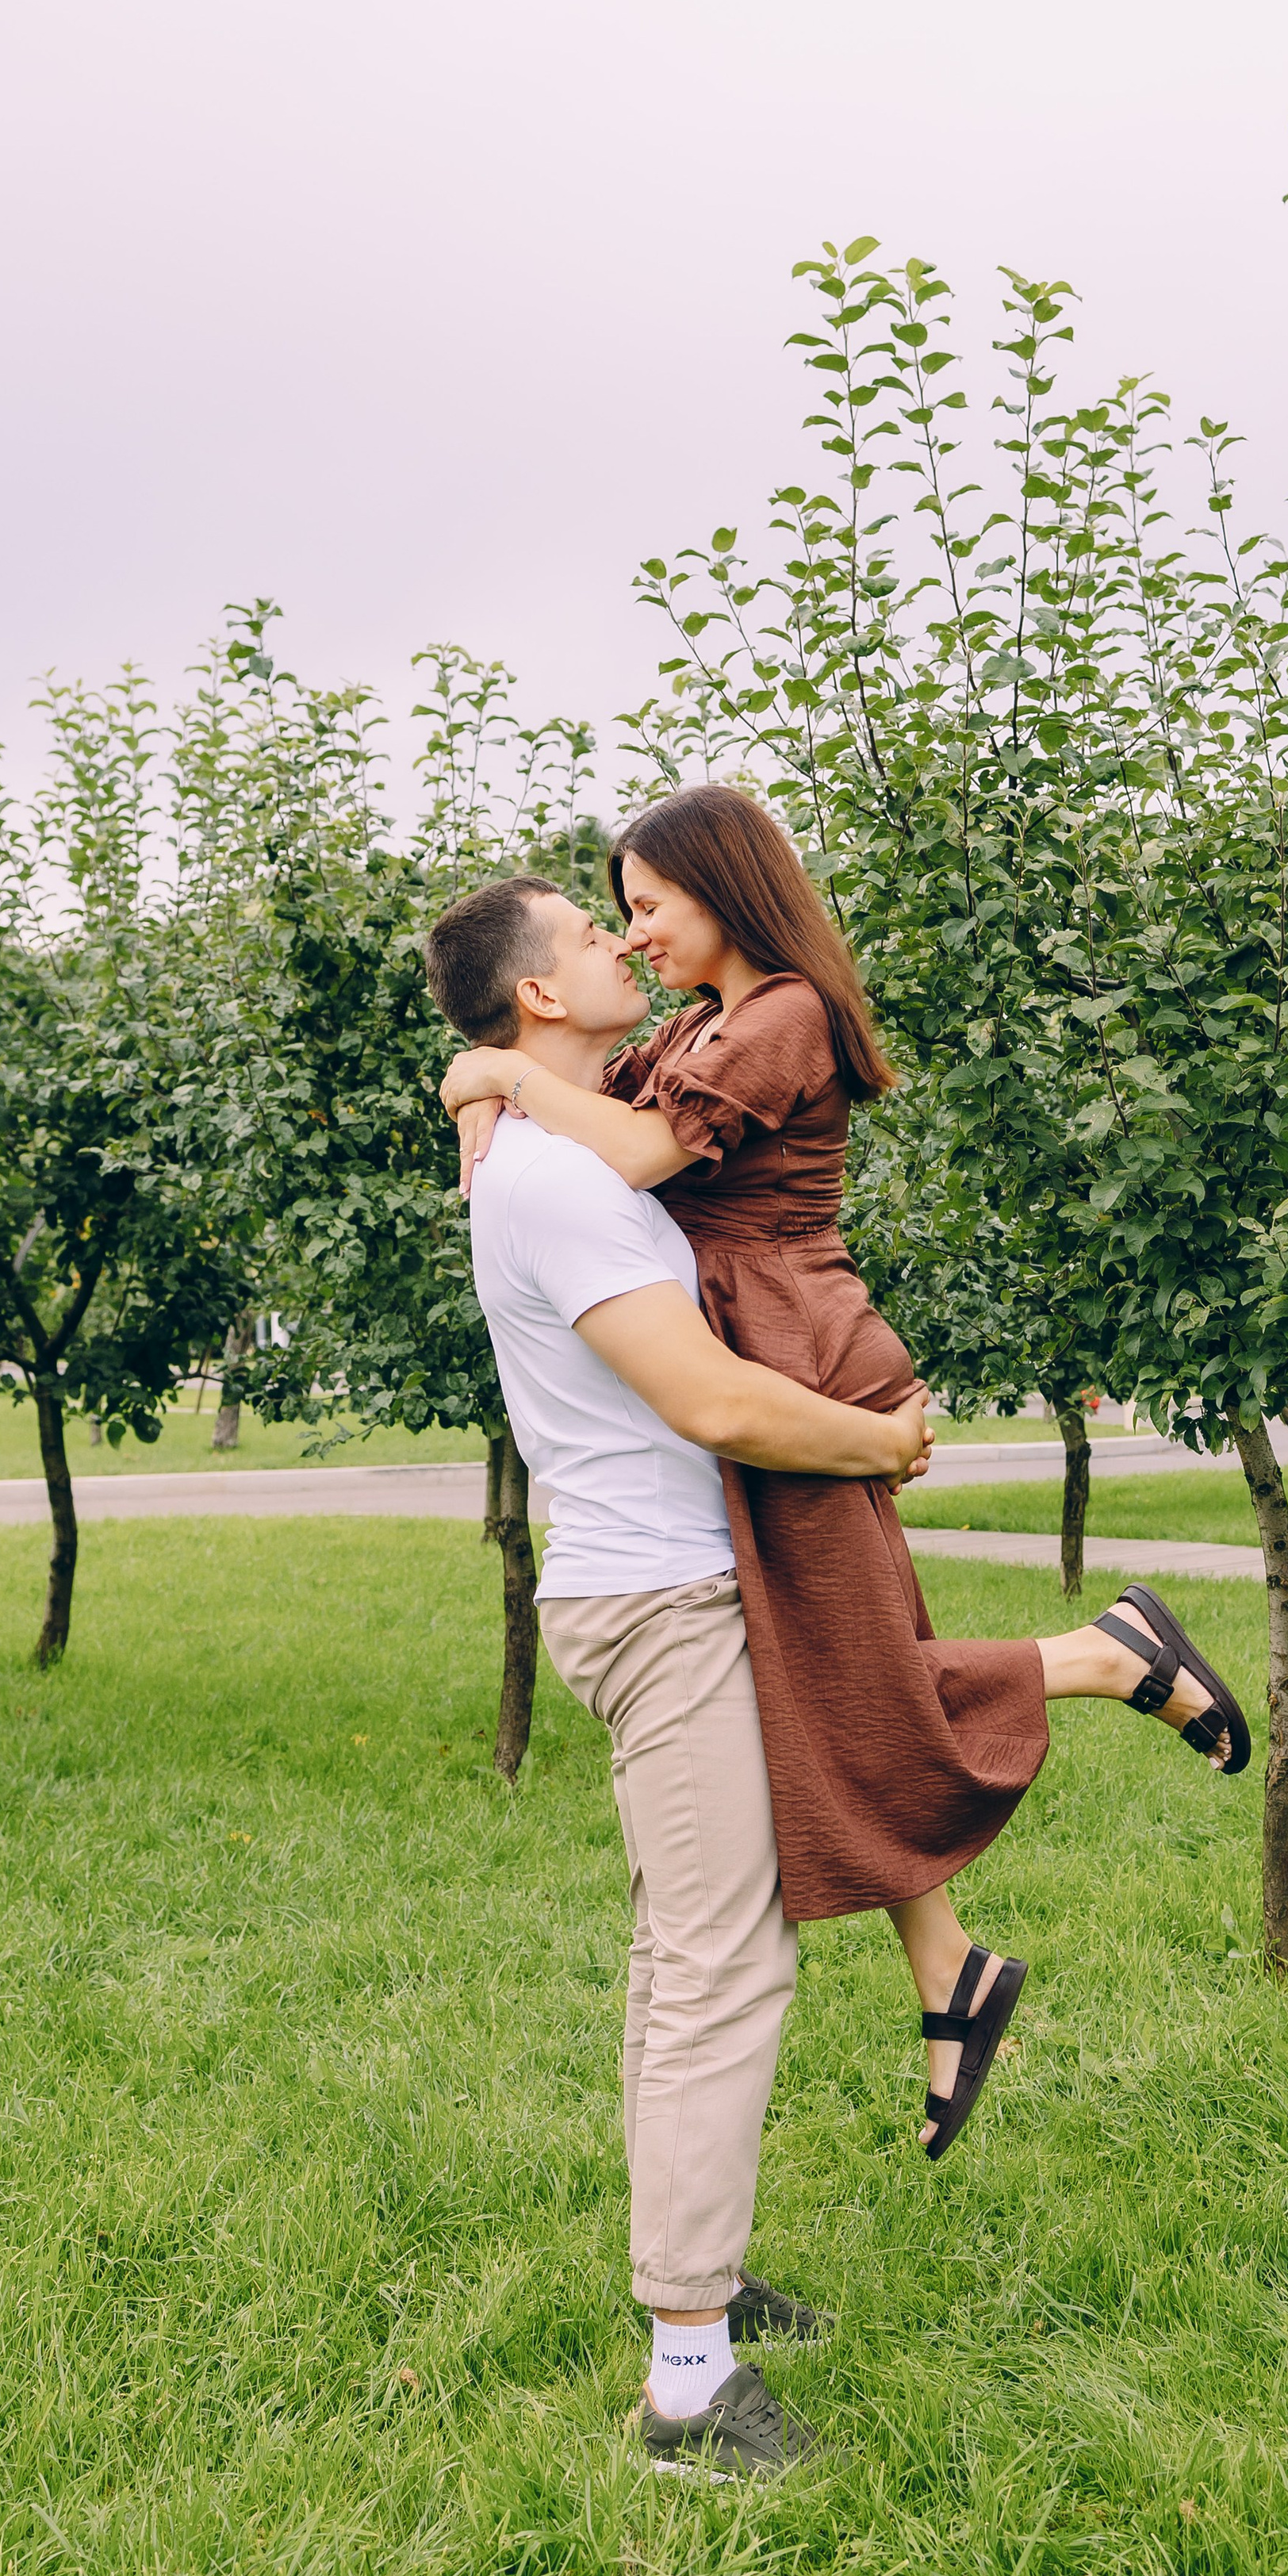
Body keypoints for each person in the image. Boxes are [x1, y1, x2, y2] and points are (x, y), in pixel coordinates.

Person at [438, 794, 1251, 2158]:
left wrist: (495, 1076)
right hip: (757, 1356)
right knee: (828, 1678)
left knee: (846, 1673)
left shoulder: (786, 1013)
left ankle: (1106, 1658)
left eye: (648, 904)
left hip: (795, 1359)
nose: (634, 935)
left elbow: (630, 1149)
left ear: (723, 886)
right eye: (615, 915)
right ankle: (950, 1970)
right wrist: (479, 1080)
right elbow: (588, 1114)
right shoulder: (695, 1029)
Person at [422, 879, 932, 2478]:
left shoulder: (561, 1136)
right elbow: (710, 1400)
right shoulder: (558, 1180)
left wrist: (482, 1081)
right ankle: (688, 2384)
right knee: (724, 1972)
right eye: (591, 934)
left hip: (647, 1579)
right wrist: (881, 1442)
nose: (619, 943)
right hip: (664, 1595)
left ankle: (692, 2281)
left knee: (680, 1960)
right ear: (535, 996)